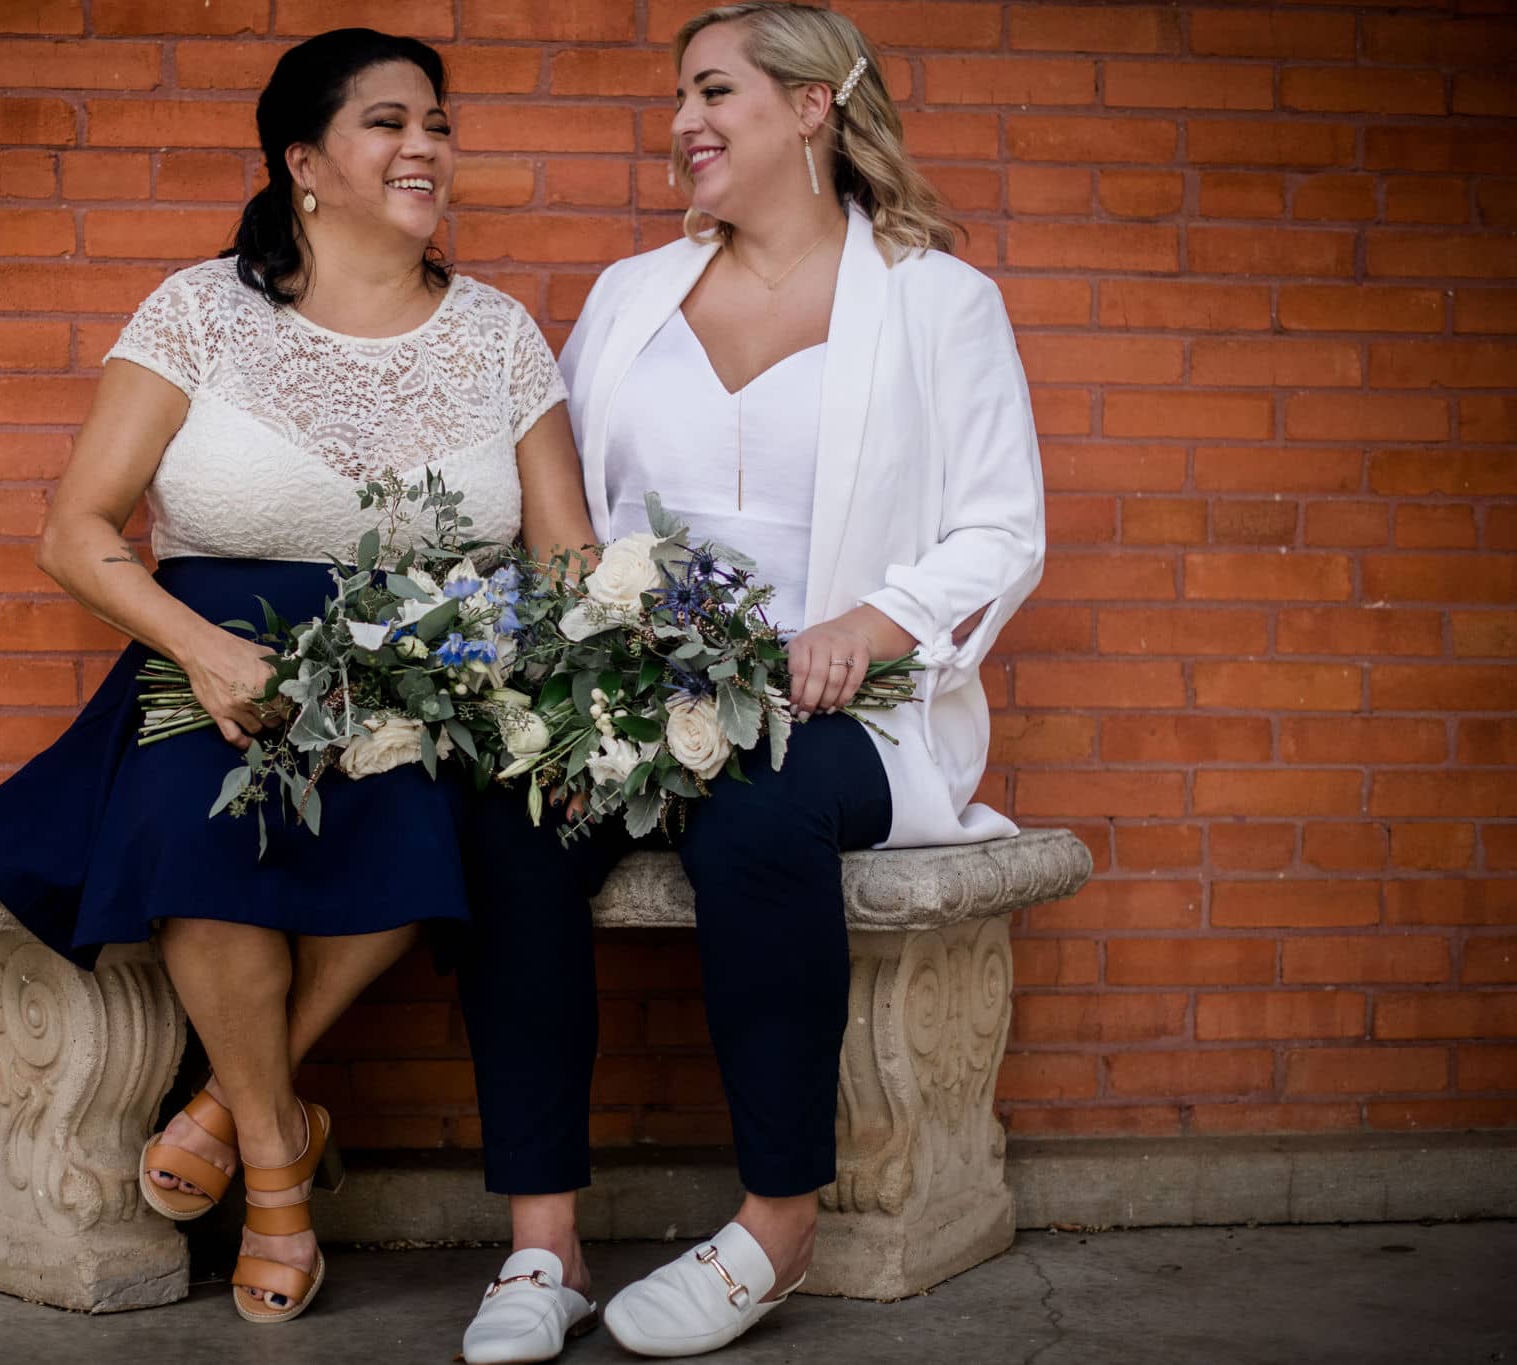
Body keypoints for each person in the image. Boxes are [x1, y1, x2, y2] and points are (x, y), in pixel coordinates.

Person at [0, 27, 593, 1325]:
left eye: (439, 125)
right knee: (196, 827)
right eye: (390, 122)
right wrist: (206, 646)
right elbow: (76, 530)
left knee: (425, 816)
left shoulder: (501, 333)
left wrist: (559, 692)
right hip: (216, 657)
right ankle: (282, 1175)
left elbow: (563, 548)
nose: (425, 147)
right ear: (304, 160)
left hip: (432, 666)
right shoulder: (199, 312)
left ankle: (238, 1102)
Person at [454, 4, 1046, 1360]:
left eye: (713, 91)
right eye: (677, 98)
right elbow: (573, 513)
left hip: (844, 706)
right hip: (640, 691)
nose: (683, 124)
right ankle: (542, 1246)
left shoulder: (937, 299)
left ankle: (777, 1220)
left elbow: (1003, 524)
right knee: (506, 809)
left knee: (761, 806)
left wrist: (873, 621)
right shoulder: (629, 296)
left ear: (810, 109)